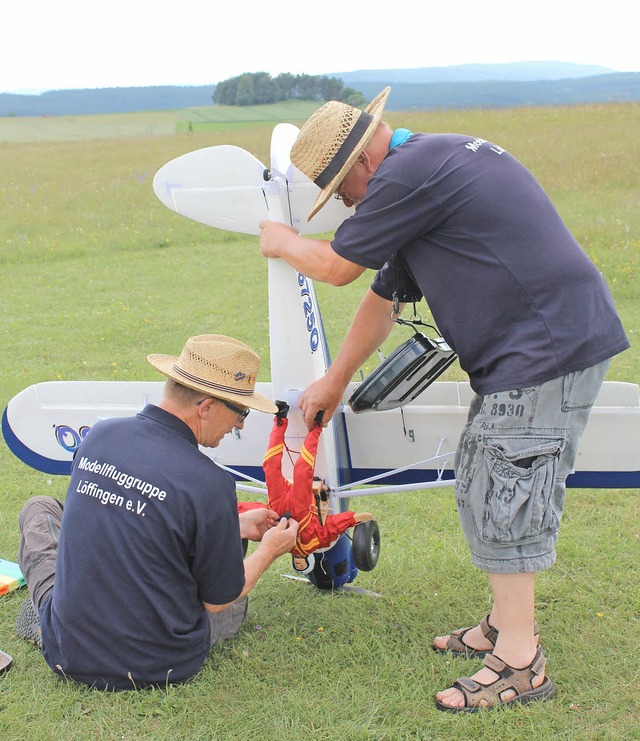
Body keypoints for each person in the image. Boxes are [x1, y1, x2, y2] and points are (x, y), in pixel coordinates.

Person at [258, 87, 629, 712]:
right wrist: (335, 380)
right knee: (485, 477)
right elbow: (383, 297)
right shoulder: (427, 168)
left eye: (342, 193)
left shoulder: (407, 176)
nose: (349, 206)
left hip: (545, 348)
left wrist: (279, 240)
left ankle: (521, 662)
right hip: (533, 349)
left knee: (507, 490)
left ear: (361, 166)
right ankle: (503, 625)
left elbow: (338, 267)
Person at [16, 334, 299, 691]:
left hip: (68, 646)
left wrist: (235, 525)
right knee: (234, 607)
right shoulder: (210, 482)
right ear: (206, 406)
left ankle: (53, 615)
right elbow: (219, 600)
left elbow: (124, 516)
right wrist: (270, 549)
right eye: (241, 412)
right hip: (159, 661)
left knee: (38, 508)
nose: (240, 425)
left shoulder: (99, 436)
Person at [262, 401, 372, 573]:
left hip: (278, 508)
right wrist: (353, 518)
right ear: (309, 560)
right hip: (302, 508)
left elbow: (257, 518)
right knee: (302, 470)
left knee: (269, 466)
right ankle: (317, 426)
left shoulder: (281, 546)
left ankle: (280, 418)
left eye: (296, 565)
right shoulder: (315, 543)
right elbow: (331, 527)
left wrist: (235, 511)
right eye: (302, 566)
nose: (298, 564)